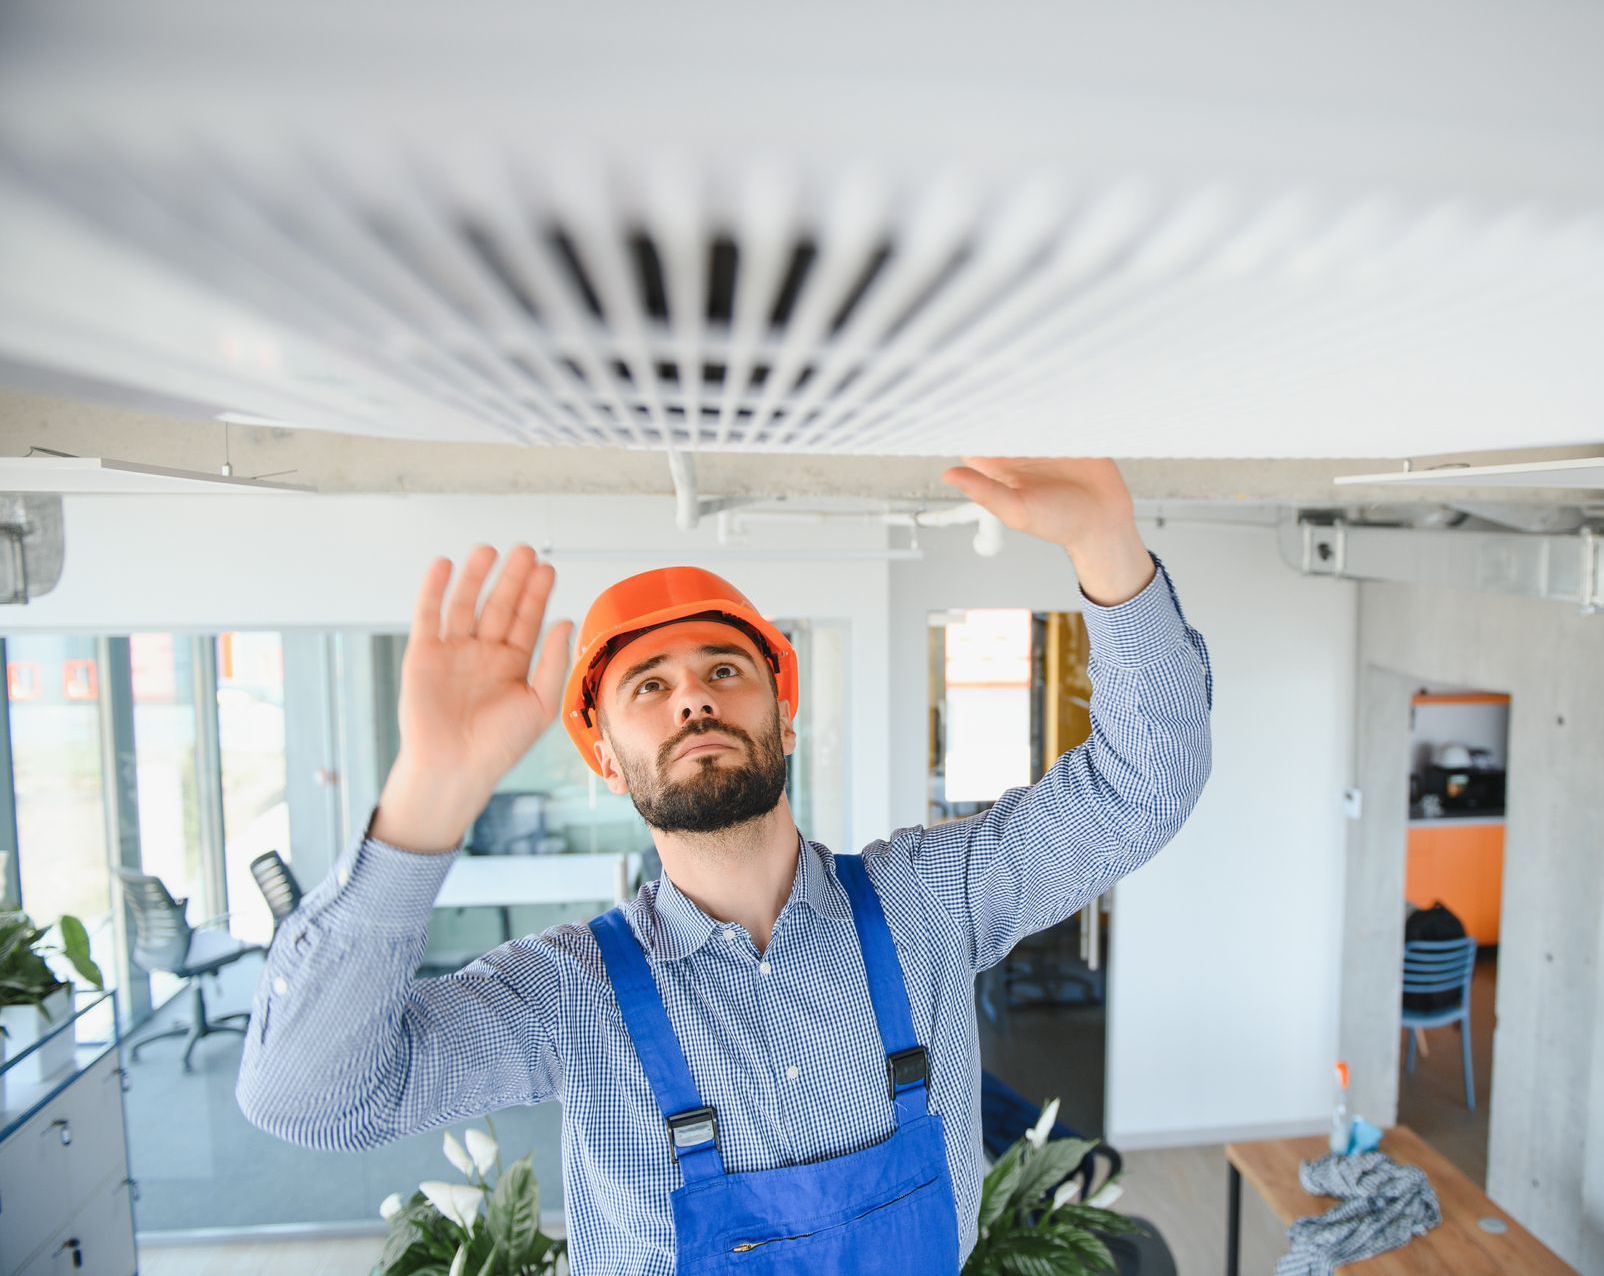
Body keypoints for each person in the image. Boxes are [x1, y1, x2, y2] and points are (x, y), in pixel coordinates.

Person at [237, 456, 1213, 1273]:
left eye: (723, 669)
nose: (692, 699)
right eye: (649, 686)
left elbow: (1144, 785)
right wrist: (429, 794)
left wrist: (1108, 545)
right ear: (605, 757)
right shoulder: (567, 990)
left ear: (784, 714)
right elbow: (309, 1095)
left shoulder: (928, 900)